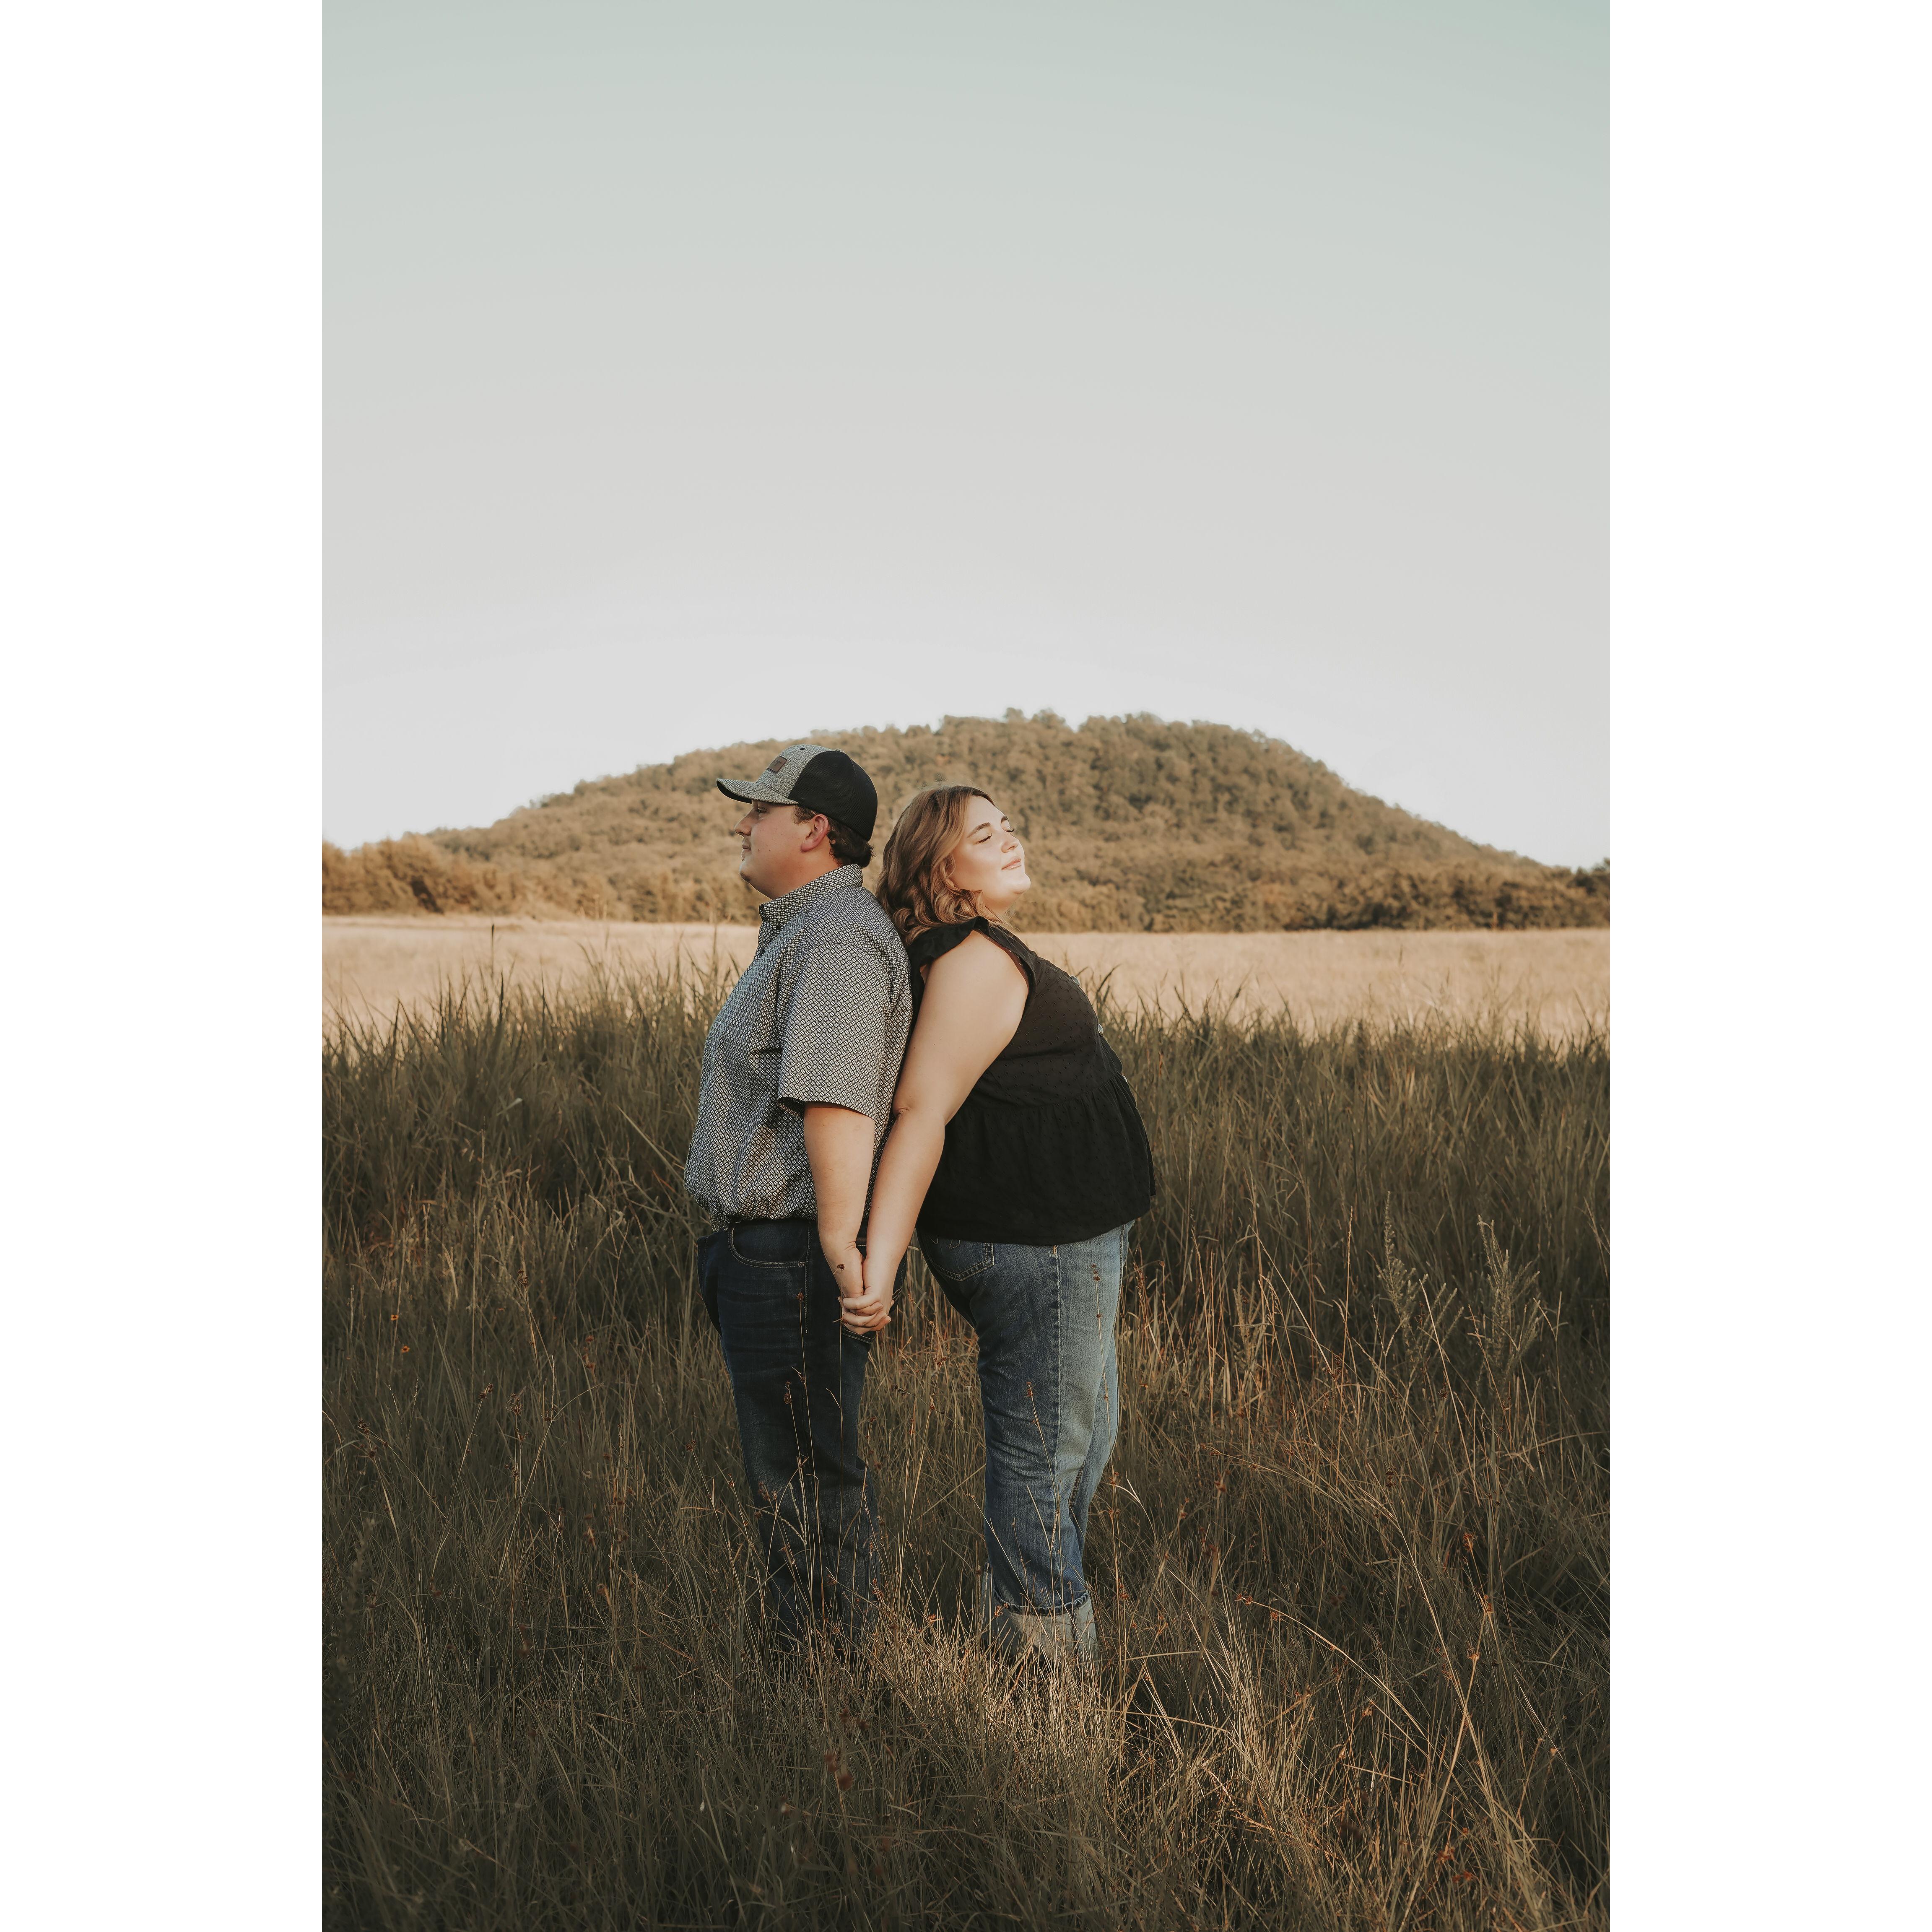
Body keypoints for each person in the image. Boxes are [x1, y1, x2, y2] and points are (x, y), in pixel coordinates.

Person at [843, 786, 1156, 1668]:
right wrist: (879, 1265)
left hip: (1056, 1239)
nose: (1011, 841)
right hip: (1037, 1246)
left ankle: (1016, 1623)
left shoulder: (968, 950)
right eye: (986, 836)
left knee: (1079, 1444)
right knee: (1044, 1462)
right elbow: (920, 1112)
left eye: (1007, 827)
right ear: (944, 871)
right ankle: (1044, 1676)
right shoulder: (972, 961)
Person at [683, 743, 911, 1650]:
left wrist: (840, 1251)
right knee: (794, 1469)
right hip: (766, 1251)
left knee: (806, 1478)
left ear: (815, 830)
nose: (743, 826)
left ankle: (822, 1674)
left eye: (760, 811)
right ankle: (814, 1657)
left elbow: (838, 1104)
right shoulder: (807, 930)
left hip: (790, 1255)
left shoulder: (836, 940)